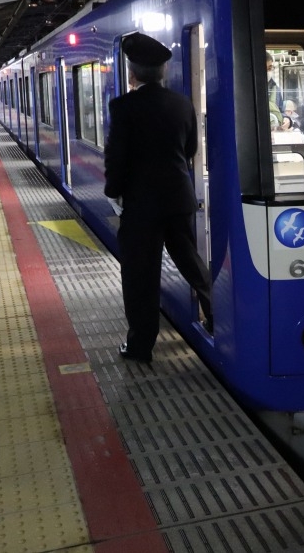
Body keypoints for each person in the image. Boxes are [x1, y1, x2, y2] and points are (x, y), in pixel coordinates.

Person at [104, 32, 213, 364]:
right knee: (192, 263)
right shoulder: (183, 104)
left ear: (132, 73)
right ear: (163, 71)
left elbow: (116, 157)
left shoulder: (123, 107)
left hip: (142, 206)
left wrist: (113, 192)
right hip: (179, 198)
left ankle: (141, 346)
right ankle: (217, 318)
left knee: (141, 275)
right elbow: (191, 149)